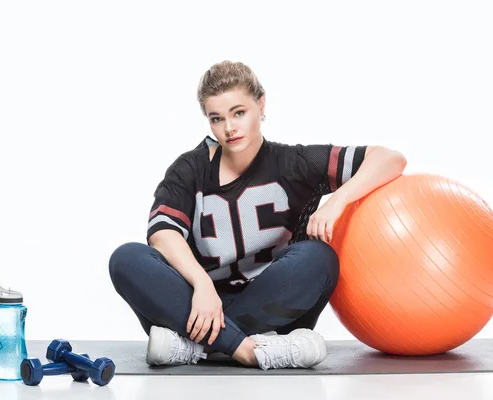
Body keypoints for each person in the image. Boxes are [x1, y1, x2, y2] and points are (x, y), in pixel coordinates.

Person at [108, 60, 407, 370]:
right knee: (126, 258)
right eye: (217, 118)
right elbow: (162, 233)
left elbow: (390, 158)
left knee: (319, 257)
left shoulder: (293, 163)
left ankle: (195, 348)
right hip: (197, 308)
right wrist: (202, 284)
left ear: (261, 104)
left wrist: (338, 201)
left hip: (271, 308)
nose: (229, 128)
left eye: (239, 113)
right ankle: (247, 350)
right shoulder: (191, 168)